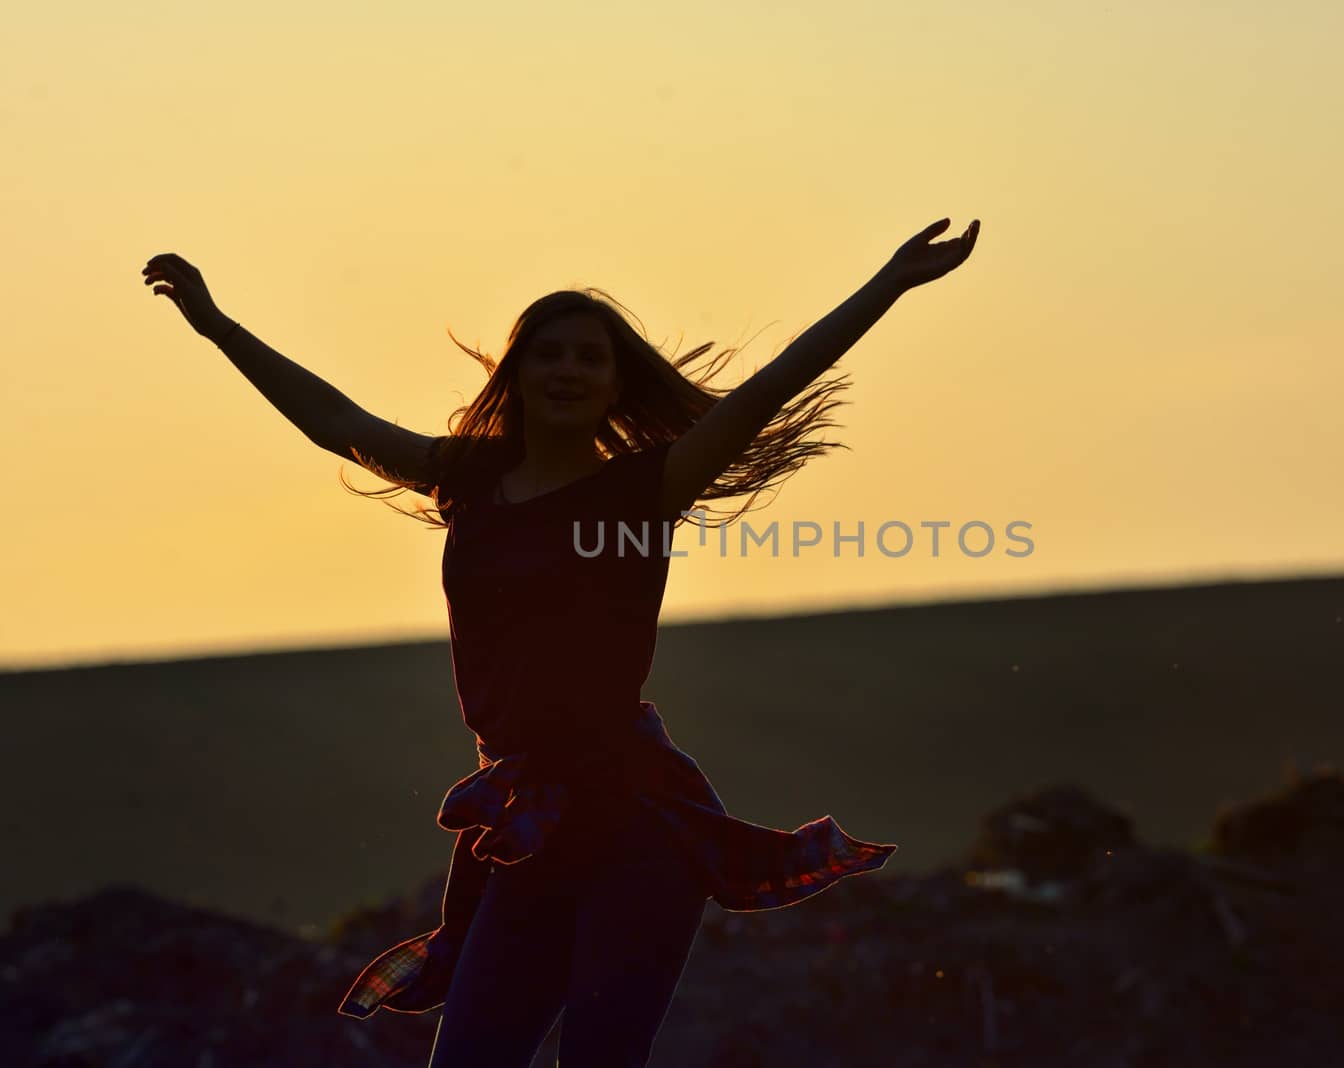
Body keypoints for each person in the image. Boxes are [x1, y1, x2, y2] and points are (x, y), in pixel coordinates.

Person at [140, 216, 980, 1066]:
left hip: (638, 820)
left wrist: (888, 284)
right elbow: (334, 420)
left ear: (617, 385)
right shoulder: (467, 476)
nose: (569, 370)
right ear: (518, 373)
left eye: (590, 357)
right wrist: (217, 327)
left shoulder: (644, 490)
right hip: (524, 821)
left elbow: (768, 391)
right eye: (550, 354)